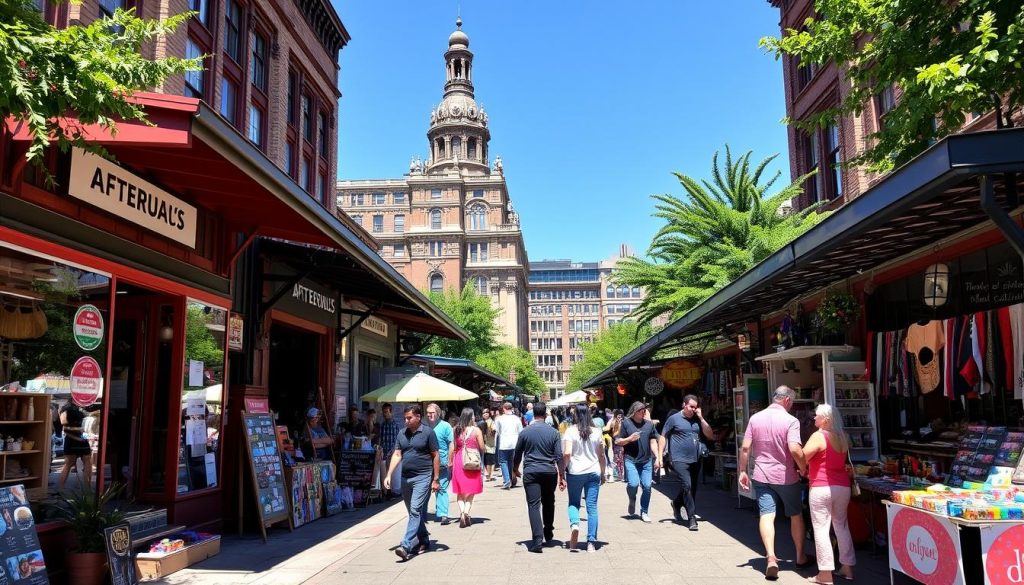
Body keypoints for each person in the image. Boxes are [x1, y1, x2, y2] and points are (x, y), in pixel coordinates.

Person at [738, 385, 810, 580]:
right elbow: (795, 449)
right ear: (787, 400)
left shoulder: (755, 418)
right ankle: (800, 557)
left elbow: (745, 448)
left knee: (767, 515)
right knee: (795, 515)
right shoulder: (790, 420)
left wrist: (743, 471)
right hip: (786, 477)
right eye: (792, 402)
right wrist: (803, 467)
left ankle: (770, 557)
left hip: (761, 475)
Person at [804, 405, 856, 584]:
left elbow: (803, 456)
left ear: (826, 419)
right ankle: (847, 568)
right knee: (841, 526)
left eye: (817, 416)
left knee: (821, 528)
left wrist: (801, 469)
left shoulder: (819, 436)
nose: (814, 419)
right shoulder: (843, 437)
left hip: (821, 486)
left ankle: (825, 573)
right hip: (842, 486)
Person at [383, 405, 440, 561]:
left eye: (409, 418)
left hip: (423, 476)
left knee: (415, 509)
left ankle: (406, 545)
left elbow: (435, 455)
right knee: (412, 512)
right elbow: (396, 454)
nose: (406, 421)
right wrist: (389, 474)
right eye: (405, 418)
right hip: (405, 478)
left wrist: (435, 479)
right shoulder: (402, 433)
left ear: (418, 417)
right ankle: (424, 539)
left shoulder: (428, 432)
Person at [513, 402, 565, 553]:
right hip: (549, 471)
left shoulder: (525, 432)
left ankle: (537, 540)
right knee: (549, 501)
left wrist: (515, 469)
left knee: (534, 505)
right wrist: (562, 475)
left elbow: (517, 453)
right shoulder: (554, 433)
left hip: (531, 471)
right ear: (546, 414)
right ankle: (548, 531)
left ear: (533, 414)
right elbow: (559, 456)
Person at [660, 396, 715, 530]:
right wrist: (659, 457)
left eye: (695, 407)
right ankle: (691, 518)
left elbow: (710, 435)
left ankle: (677, 503)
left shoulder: (697, 419)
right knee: (687, 485)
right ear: (683, 404)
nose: (693, 409)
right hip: (679, 459)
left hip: (695, 458)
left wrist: (701, 418)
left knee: (691, 487)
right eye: (691, 406)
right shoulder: (674, 419)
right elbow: (663, 436)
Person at [563, 403, 605, 552]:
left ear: (575, 415)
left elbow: (567, 453)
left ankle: (575, 524)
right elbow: (601, 455)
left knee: (574, 502)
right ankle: (591, 542)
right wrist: (603, 472)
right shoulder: (597, 431)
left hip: (575, 472)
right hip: (593, 472)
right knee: (592, 507)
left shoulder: (570, 431)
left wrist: (562, 472)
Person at [615, 401, 660, 522]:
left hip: (646, 461)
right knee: (633, 484)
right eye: (641, 410)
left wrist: (658, 457)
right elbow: (618, 441)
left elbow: (653, 442)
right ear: (634, 411)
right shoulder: (626, 423)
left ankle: (644, 511)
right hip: (631, 460)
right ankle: (632, 498)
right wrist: (630, 439)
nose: (643, 412)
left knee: (647, 486)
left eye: (645, 410)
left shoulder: (649, 425)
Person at [450, 407, 485, 527]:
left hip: (459, 460)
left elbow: (454, 447)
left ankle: (462, 514)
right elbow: (482, 447)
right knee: (471, 491)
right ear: (471, 417)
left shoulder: (456, 429)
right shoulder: (477, 430)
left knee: (460, 492)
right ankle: (466, 513)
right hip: (472, 461)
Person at [425, 403, 455, 524]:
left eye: (432, 413)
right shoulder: (424, 426)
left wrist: (450, 460)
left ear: (438, 413)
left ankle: (443, 514)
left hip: (442, 460)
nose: (429, 415)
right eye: (428, 413)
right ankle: (423, 513)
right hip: (426, 461)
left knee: (441, 487)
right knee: (425, 488)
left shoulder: (445, 426)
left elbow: (451, 444)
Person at [58, 402, 92, 490]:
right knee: (86, 461)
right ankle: (87, 488)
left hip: (73, 439)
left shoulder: (67, 409)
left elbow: (64, 427)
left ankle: (61, 488)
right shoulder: (78, 410)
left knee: (69, 464)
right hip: (78, 439)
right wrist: (81, 432)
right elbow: (65, 428)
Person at [495, 402, 523, 489]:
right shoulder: (517, 419)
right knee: (511, 461)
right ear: (512, 408)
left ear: (503, 408)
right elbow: (521, 431)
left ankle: (507, 480)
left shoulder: (499, 419)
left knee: (503, 461)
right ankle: (510, 479)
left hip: (504, 443)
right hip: (515, 443)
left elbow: (498, 431)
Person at [378, 403, 402, 495]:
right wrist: (380, 449)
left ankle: (393, 491)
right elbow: (381, 438)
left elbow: (397, 439)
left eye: (386, 412)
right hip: (384, 452)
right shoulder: (383, 425)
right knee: (385, 473)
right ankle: (387, 491)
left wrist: (394, 451)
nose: (385, 414)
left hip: (392, 453)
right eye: (384, 412)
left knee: (393, 473)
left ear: (391, 412)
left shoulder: (394, 425)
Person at [604, 410, 624, 481]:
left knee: (620, 459)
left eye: (621, 416)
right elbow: (614, 434)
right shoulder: (614, 422)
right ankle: (619, 475)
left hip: (620, 443)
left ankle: (620, 475)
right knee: (618, 459)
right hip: (616, 443)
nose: (619, 417)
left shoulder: (623, 423)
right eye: (618, 416)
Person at [478, 409, 498, 482]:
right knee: (487, 460)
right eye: (483, 413)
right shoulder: (481, 422)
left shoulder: (491, 422)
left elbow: (494, 430)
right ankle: (489, 475)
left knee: (490, 460)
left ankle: (490, 475)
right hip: (484, 443)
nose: (485, 414)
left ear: (489, 414)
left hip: (490, 443)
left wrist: (491, 432)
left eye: (486, 413)